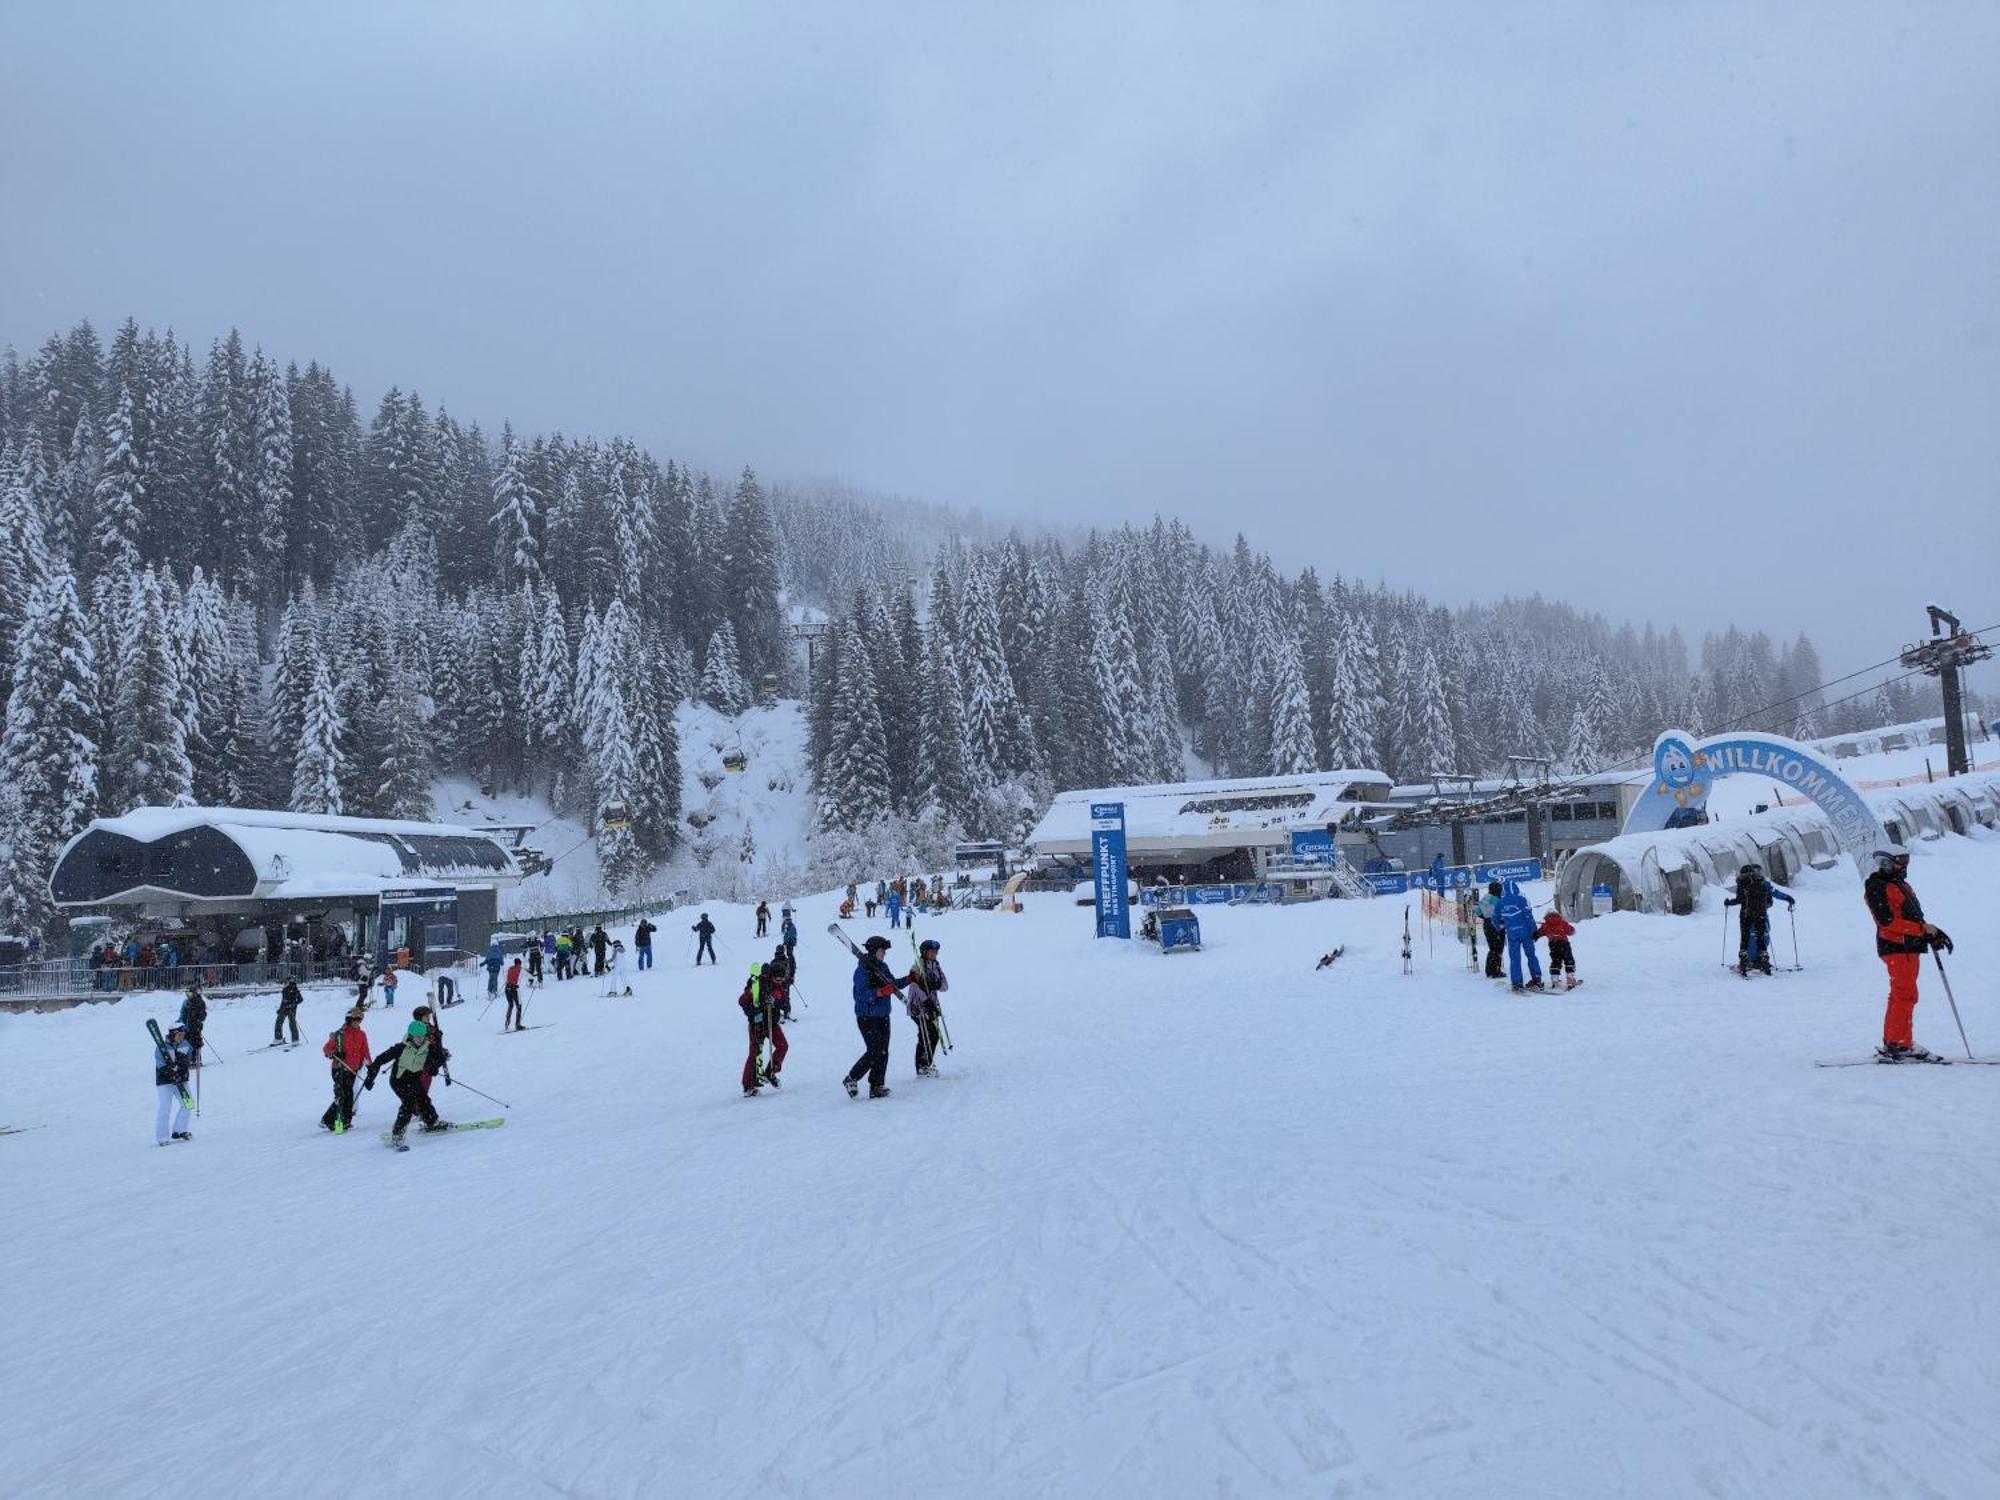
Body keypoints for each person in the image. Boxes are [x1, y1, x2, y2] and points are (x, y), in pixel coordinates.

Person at [1863, 842, 1952, 1061]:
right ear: (1885, 863)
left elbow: (1912, 916)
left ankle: (1895, 1041)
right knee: (1905, 994)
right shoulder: (1878, 886)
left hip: (1907, 947)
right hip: (1896, 947)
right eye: (1900, 862)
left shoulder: (1900, 884)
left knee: (1903, 994)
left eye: (1906, 861)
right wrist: (1922, 930)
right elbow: (1887, 921)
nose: (1904, 866)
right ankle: (1899, 1044)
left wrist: (1932, 933)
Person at [843, 935, 907, 1099]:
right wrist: (879, 992)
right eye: (882, 950)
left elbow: (893, 984)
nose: (884, 953)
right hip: (867, 1017)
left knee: (883, 1051)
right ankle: (851, 1078)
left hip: (883, 1015)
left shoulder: (883, 967)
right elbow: (860, 995)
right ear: (874, 951)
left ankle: (877, 1086)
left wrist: (910, 979)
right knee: (875, 1051)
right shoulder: (862, 970)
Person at [363, 1018, 447, 1143]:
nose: (420, 1039)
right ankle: (397, 1134)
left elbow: (441, 1057)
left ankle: (432, 1122)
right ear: (411, 1035)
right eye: (417, 1037)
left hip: (414, 1078)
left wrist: (434, 1067)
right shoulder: (401, 1048)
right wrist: (370, 1078)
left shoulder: (427, 1047)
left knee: (423, 1099)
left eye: (422, 1036)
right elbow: (380, 1060)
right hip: (398, 1081)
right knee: (409, 1103)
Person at [1723, 863, 1795, 976]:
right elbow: (1775, 893)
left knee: (1745, 938)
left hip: (1746, 914)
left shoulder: (1742, 884)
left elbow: (1740, 899)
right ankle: (1763, 960)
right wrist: (1788, 898)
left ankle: (1744, 961)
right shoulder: (1763, 883)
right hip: (1761, 914)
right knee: (1761, 937)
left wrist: (1729, 902)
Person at [739, 962, 788, 1096]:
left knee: (783, 1046)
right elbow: (742, 1001)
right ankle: (748, 1086)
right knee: (755, 1053)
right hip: (758, 1025)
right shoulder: (758, 985)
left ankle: (770, 1072)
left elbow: (784, 1003)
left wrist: (775, 1002)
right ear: (771, 976)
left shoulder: (779, 988)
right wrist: (754, 1014)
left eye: (782, 979)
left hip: (772, 1023)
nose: (780, 981)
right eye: (778, 979)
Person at [321, 1008, 370, 1133]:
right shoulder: (340, 1034)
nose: (357, 1023)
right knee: (343, 1094)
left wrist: (370, 1065)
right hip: (340, 1068)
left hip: (353, 1069)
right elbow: (326, 1048)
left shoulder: (361, 1034)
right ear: (348, 1020)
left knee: (348, 1095)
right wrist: (335, 1053)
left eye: (359, 1020)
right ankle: (331, 1120)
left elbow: (365, 1051)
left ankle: (345, 1121)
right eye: (354, 1020)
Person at [905, 938, 948, 1077]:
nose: (934, 954)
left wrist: (935, 984)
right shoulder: (917, 966)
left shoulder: (936, 966)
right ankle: (921, 1066)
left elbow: (945, 986)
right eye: (931, 952)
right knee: (925, 1034)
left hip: (932, 1006)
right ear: (924, 952)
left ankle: (927, 1063)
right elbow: (914, 986)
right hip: (918, 1007)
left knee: (934, 1034)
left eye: (936, 952)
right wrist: (925, 1000)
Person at [1496, 880, 1544, 993]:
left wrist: (1501, 925)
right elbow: (1529, 917)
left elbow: (1496, 919)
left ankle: (1517, 983)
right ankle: (1537, 979)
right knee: (1531, 955)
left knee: (1515, 959)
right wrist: (1534, 931)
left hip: (1512, 934)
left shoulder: (1500, 902)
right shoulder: (1521, 900)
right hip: (1525, 932)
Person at [154, 1019, 194, 1145]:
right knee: (165, 1108)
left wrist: (181, 1069)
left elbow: (188, 1060)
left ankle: (179, 1130)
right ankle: (162, 1136)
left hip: (181, 1080)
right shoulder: (162, 1047)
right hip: (165, 1081)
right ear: (173, 1034)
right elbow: (160, 1064)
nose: (181, 1038)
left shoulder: (185, 1045)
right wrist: (170, 1071)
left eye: (183, 1035)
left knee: (188, 1104)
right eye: (179, 1035)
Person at [1536, 909, 1579, 989]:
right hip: (1564, 944)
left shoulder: (1546, 925)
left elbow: (1538, 933)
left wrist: (1534, 937)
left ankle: (1555, 979)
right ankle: (1570, 979)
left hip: (1553, 945)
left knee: (1556, 961)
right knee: (1569, 960)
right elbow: (1571, 931)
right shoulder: (1562, 923)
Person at [1477, 881, 1505, 980]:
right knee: (1498, 948)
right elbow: (1503, 913)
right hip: (1497, 925)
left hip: (1487, 925)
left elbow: (1477, 912)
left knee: (1492, 948)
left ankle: (1489, 970)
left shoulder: (1485, 898)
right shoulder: (1498, 900)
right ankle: (1496, 971)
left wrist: (1486, 917)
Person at [178, 984, 208, 1065]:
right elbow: (182, 1014)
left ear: (195, 993)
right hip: (186, 1027)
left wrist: (198, 1018)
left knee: (196, 1043)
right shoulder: (186, 1002)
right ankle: (187, 1059)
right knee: (185, 1043)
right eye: (187, 994)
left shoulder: (200, 1002)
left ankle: (197, 1060)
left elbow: (203, 1016)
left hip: (196, 1026)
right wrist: (179, 1023)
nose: (188, 996)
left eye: (190, 994)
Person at [274, 976, 304, 1044]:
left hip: (291, 1009)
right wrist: (280, 1009)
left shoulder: (294, 989)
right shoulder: (285, 989)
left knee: (292, 1024)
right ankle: (278, 1039)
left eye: (286, 982)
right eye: (285, 982)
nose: (284, 983)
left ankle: (295, 1039)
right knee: (278, 1022)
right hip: (284, 1008)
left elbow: (300, 999)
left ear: (289, 982)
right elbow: (284, 1000)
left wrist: (293, 1004)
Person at [503, 954, 525, 1030]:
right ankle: (517, 1024)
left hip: (507, 989)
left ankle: (507, 1021)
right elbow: (528, 975)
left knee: (511, 1005)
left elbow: (506, 975)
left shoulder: (510, 968)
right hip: (514, 989)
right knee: (519, 1006)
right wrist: (535, 977)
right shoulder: (519, 969)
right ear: (519, 964)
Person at [780, 910, 799, 975]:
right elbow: (786, 934)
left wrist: (786, 942)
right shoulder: (789, 926)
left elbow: (790, 935)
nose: (786, 922)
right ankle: (791, 964)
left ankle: (793, 965)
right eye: (786, 921)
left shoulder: (791, 927)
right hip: (789, 942)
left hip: (790, 942)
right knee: (789, 953)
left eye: (787, 921)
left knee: (789, 953)